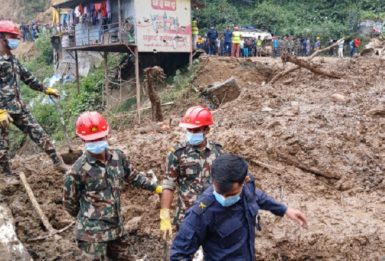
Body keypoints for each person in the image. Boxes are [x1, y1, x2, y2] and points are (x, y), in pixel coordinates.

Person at [63, 111, 162, 260]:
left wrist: (155, 187)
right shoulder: (77, 170)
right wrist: (91, 216)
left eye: (99, 138)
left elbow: (133, 176)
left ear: (107, 134)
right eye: (92, 140)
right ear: (82, 140)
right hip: (91, 236)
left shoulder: (118, 157)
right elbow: (70, 204)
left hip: (116, 228)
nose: (96, 142)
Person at [170, 154, 308, 261]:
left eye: (231, 194)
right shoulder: (201, 213)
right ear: (214, 180)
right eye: (219, 193)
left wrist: (284, 210)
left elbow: (257, 196)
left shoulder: (247, 186)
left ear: (245, 181)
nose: (224, 198)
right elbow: (179, 254)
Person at [0, 20, 68, 175]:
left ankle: (57, 162)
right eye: (12, 37)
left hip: (18, 107)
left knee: (39, 133)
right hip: (2, 112)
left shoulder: (12, 59)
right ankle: (6, 175)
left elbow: (28, 77)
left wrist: (46, 89)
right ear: (1, 37)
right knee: (2, 145)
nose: (15, 40)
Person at [160, 106, 224, 239]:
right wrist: (165, 213)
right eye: (189, 130)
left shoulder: (218, 151)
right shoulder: (177, 153)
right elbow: (168, 184)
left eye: (197, 130)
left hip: (212, 215)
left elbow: (224, 182)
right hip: (187, 218)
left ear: (207, 130)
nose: (192, 133)